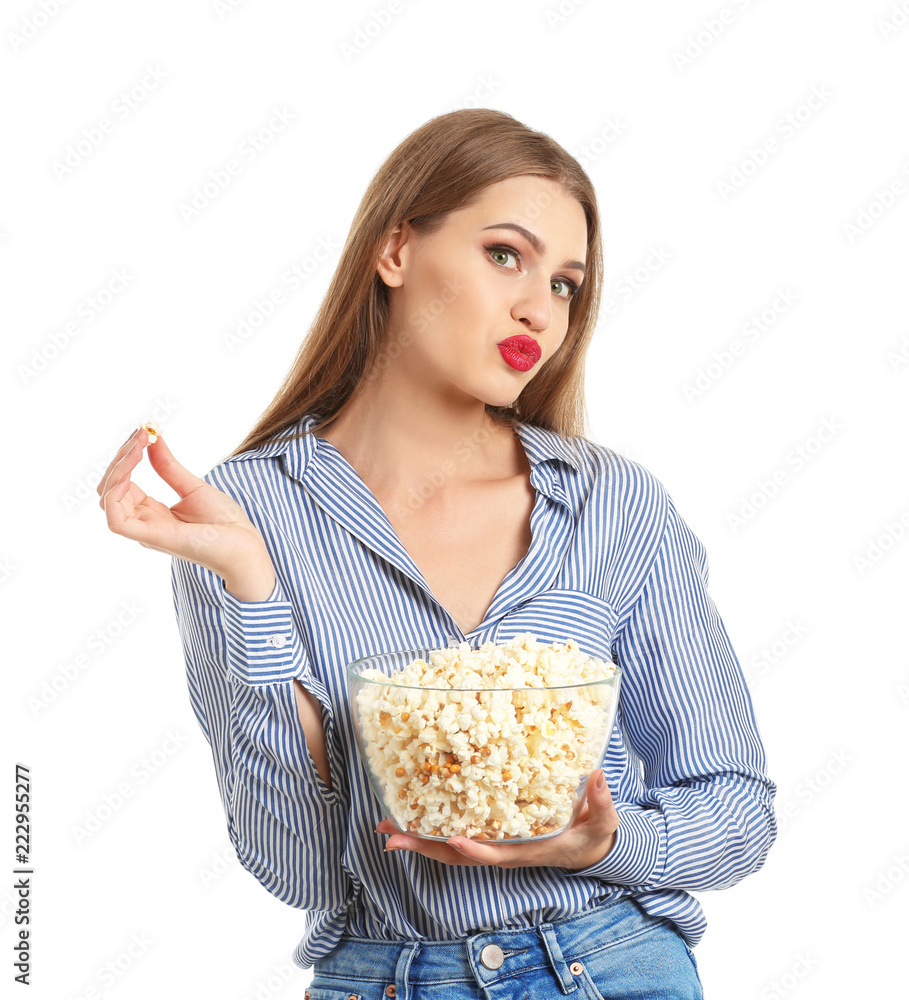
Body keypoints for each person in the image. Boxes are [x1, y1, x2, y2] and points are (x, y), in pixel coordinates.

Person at [98, 108, 776, 999]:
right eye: (506, 254)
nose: (540, 307)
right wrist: (252, 592)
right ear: (394, 252)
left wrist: (603, 842)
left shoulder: (612, 505)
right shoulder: (244, 515)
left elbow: (735, 810)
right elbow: (297, 872)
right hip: (384, 977)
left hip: (612, 969)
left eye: (567, 284)